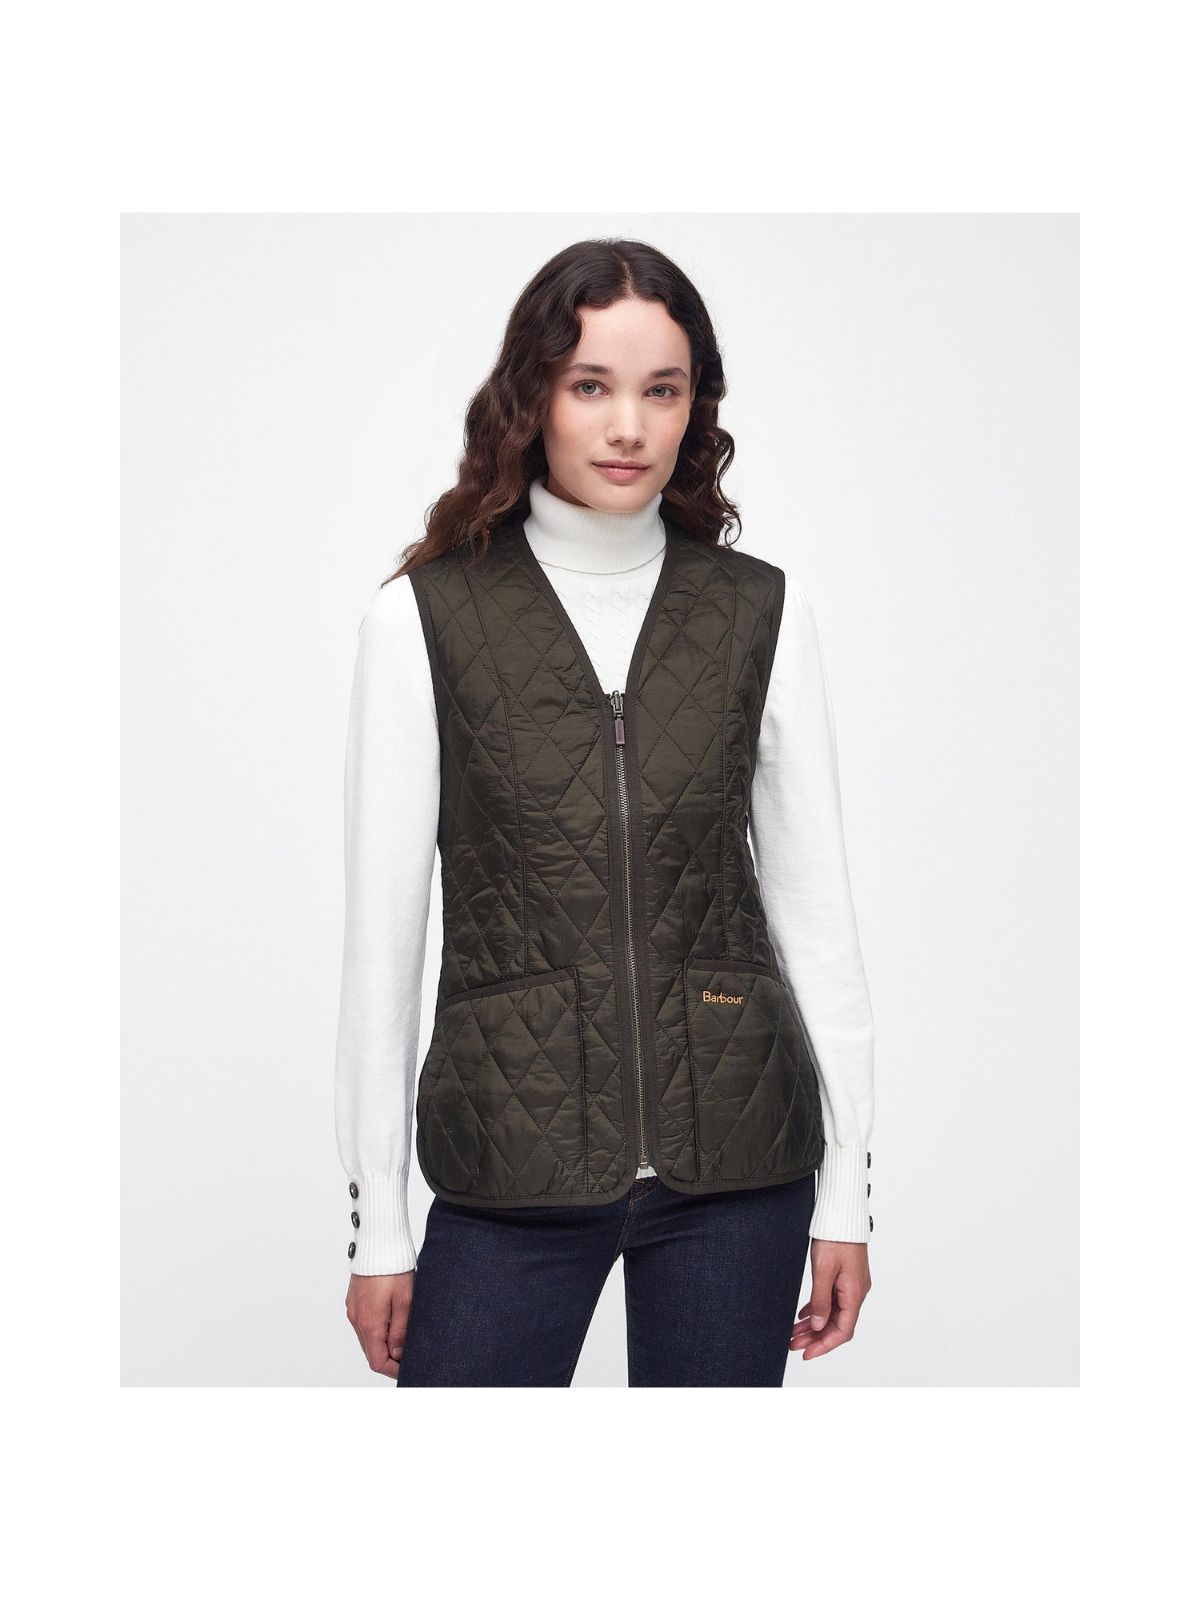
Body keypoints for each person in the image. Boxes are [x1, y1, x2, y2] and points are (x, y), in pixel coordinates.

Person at [334, 238, 875, 1387]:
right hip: (509, 1155)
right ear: (533, 397)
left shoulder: (757, 611)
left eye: (661, 390)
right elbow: (382, 948)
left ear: (694, 409)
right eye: (591, 386)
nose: (628, 425)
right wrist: (379, 1221)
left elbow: (816, 919)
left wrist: (847, 1194)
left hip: (740, 1161)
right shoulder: (423, 618)